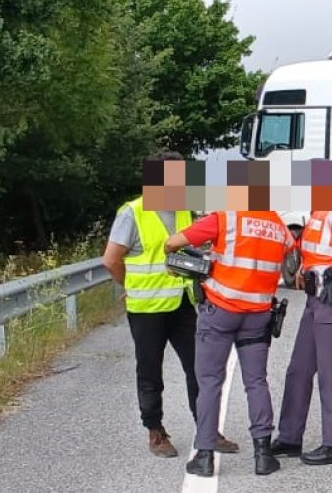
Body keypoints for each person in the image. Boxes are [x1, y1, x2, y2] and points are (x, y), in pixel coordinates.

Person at [101, 149, 239, 458]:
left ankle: (207, 430)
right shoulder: (133, 212)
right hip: (146, 309)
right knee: (150, 371)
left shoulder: (183, 211)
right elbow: (111, 260)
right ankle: (156, 432)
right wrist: (130, 285)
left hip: (182, 304)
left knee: (199, 368)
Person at [165, 205, 295, 477]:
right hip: (258, 315)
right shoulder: (278, 225)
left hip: (220, 313)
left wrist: (199, 256)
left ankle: (204, 456)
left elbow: (172, 242)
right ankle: (263, 455)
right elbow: (289, 256)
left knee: (210, 383)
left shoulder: (225, 218)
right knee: (256, 382)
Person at [269, 209, 332, 466]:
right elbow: (318, 250)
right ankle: (290, 438)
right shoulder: (318, 214)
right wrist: (305, 266)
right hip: (316, 301)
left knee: (330, 375)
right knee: (298, 371)